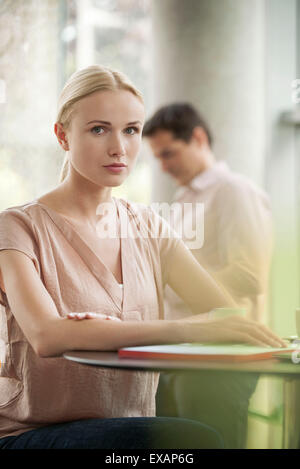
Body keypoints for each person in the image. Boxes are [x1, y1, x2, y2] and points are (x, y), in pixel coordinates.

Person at [0, 66, 285, 450]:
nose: (119, 148)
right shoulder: (16, 227)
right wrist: (189, 329)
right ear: (62, 135)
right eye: (99, 129)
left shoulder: (150, 226)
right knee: (194, 441)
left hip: (129, 426)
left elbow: (225, 315)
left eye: (131, 130)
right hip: (31, 432)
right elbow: (48, 335)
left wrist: (105, 330)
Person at [143, 103, 273, 448]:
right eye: (157, 157)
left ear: (198, 138)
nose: (164, 165)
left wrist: (175, 283)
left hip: (219, 358)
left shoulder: (234, 191)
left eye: (169, 153)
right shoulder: (185, 199)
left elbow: (249, 275)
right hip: (181, 354)